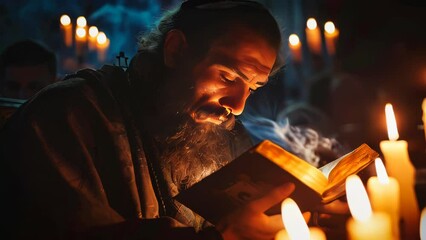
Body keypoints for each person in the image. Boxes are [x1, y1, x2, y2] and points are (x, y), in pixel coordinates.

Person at [0, 0, 338, 239]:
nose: (237, 106)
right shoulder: (67, 115)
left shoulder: (228, 136)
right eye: (227, 76)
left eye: (253, 86)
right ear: (175, 50)